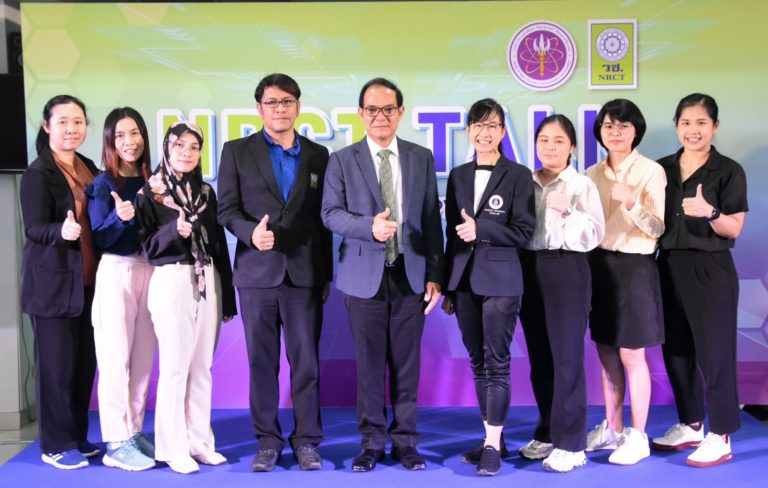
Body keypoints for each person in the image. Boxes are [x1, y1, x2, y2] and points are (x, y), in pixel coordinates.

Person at [321, 78, 444, 472]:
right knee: (370, 366)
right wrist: (368, 227)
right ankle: (372, 442)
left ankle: (406, 442)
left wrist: (435, 274)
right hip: (363, 277)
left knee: (407, 366)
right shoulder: (342, 159)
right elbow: (330, 214)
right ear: (361, 114)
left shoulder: (421, 157)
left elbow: (431, 218)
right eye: (372, 110)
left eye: (388, 109)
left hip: (411, 274)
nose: (380, 117)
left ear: (400, 113)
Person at [217, 73, 332, 472]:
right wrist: (250, 233)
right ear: (259, 108)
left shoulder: (318, 155)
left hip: (304, 274)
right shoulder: (236, 151)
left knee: (307, 363)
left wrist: (325, 275)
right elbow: (226, 209)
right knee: (262, 363)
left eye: (286, 101)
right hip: (256, 274)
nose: (279, 109)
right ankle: (267, 441)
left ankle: (307, 441)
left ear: (298, 106)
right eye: (271, 102)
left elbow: (323, 220)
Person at [135, 121, 236, 474]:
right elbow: (145, 246)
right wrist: (172, 231)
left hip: (208, 279)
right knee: (175, 369)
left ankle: (200, 443)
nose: (187, 153)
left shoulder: (206, 193)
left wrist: (228, 299)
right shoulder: (149, 193)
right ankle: (173, 447)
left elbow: (219, 245)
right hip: (171, 279)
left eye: (194, 147)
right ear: (167, 147)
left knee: (202, 367)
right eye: (179, 145)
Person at [441, 98, 535, 476]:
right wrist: (448, 286)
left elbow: (524, 232)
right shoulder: (458, 175)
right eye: (478, 126)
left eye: (492, 126)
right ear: (468, 131)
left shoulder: (518, 175)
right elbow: (452, 234)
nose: (485, 132)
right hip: (464, 281)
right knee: (478, 362)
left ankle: (493, 445)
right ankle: (492, 436)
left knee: (496, 362)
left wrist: (483, 229)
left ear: (502, 132)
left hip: (502, 280)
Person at [652, 93, 748, 467]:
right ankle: (691, 424)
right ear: (677, 126)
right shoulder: (661, 169)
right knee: (676, 350)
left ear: (715, 127)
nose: (693, 130)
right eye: (686, 123)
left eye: (701, 123)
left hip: (710, 269)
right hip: (667, 266)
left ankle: (721, 434)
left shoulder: (728, 170)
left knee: (715, 353)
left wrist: (710, 213)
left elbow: (734, 227)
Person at [517, 114, 605, 472]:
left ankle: (572, 443)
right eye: (543, 140)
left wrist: (567, 209)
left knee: (567, 357)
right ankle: (548, 431)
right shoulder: (524, 181)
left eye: (558, 141)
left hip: (567, 266)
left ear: (572, 147)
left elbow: (595, 234)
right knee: (540, 359)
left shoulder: (581, 185)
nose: (550, 147)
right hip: (528, 267)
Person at [19, 94, 101, 469]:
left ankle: (76, 436)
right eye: (63, 121)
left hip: (89, 283)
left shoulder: (88, 167)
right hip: (53, 287)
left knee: (83, 366)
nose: (71, 128)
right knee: (56, 368)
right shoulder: (38, 173)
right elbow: (34, 227)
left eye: (78, 121)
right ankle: (55, 444)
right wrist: (61, 231)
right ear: (47, 126)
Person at [585, 99, 666, 465]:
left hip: (635, 267)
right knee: (605, 352)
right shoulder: (590, 175)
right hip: (598, 265)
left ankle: (638, 435)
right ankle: (613, 428)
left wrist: (632, 203)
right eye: (608, 126)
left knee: (632, 354)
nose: (615, 132)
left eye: (623, 126)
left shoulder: (651, 171)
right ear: (600, 131)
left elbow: (658, 228)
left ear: (636, 131)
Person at [85, 107, 156, 471]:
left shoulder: (154, 181)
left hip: (151, 271)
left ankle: (134, 430)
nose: (130, 142)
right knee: (115, 360)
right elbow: (100, 236)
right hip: (116, 271)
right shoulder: (103, 184)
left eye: (135, 133)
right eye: (121, 136)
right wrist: (120, 217)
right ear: (111, 142)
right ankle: (115, 440)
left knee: (143, 360)